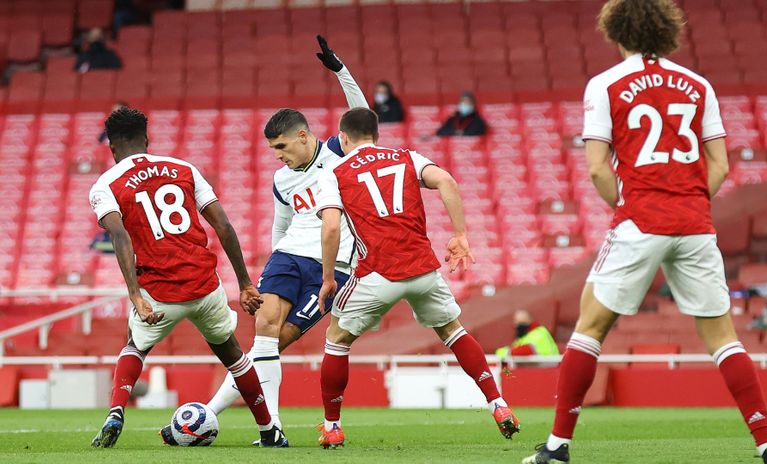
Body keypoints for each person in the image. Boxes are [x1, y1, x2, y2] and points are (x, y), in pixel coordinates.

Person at [522, 1, 767, 464]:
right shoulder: (698, 84)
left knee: (589, 328)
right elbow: (721, 164)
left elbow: (597, 169)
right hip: (694, 223)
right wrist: (689, 203)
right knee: (724, 338)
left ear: (616, 30)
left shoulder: (605, 84)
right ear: (667, 30)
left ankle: (557, 447)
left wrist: (629, 205)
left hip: (639, 220)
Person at [159, 36, 368, 447]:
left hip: (333, 268)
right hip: (288, 257)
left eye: (282, 147)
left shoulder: (337, 155)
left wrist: (340, 71)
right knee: (264, 334)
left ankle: (207, 413)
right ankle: (271, 428)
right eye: (273, 150)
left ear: (305, 136)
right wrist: (262, 273)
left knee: (273, 345)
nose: (278, 156)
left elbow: (360, 115)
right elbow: (281, 226)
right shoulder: (281, 179)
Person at [315, 107, 520, 449]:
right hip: (423, 270)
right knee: (453, 332)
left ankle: (332, 426)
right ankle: (498, 405)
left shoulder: (334, 172)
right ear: (376, 135)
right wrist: (460, 235)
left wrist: (327, 279)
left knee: (336, 340)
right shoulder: (407, 156)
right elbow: (447, 181)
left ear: (344, 138)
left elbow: (332, 225)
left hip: (375, 273)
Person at [88, 107, 280, 448]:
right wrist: (246, 283)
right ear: (146, 140)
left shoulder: (106, 184)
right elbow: (222, 225)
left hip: (160, 293)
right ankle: (269, 431)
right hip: (205, 286)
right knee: (235, 356)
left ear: (113, 148)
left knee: (135, 345)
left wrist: (135, 294)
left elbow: (119, 236)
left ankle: (116, 411)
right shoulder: (184, 169)